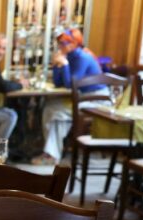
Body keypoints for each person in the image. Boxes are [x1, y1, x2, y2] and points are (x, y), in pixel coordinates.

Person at [35, 28, 107, 165]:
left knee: (56, 112)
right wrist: (57, 65)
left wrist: (65, 64)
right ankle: (51, 152)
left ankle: (51, 154)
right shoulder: (69, 56)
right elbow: (58, 82)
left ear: (75, 43)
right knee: (51, 107)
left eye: (65, 43)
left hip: (97, 100)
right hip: (82, 97)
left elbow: (70, 84)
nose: (61, 46)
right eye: (60, 43)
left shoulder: (82, 58)